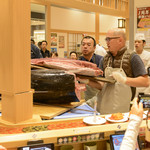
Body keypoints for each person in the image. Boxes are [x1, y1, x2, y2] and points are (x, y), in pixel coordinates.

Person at [81, 28, 149, 114]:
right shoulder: (105, 59)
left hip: (124, 110)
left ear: (120, 40)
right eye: (106, 39)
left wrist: (124, 80)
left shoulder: (132, 57)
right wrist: (87, 81)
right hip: (104, 108)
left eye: (109, 39)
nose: (107, 42)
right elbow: (101, 86)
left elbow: (145, 81)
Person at [78, 36, 103, 102]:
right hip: (83, 96)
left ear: (94, 48)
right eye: (83, 44)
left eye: (88, 45)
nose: (85, 47)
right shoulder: (78, 62)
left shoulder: (101, 60)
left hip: (99, 95)